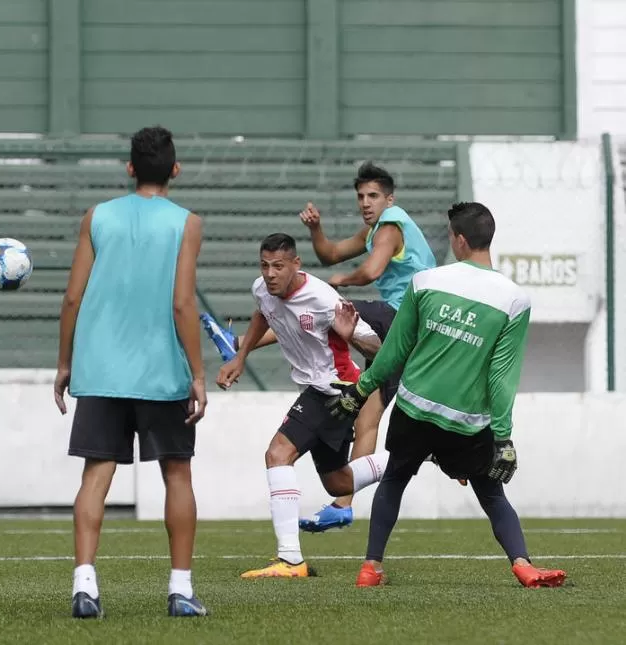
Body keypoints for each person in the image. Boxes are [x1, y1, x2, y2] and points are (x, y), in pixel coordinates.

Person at [329, 201, 566, 589]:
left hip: (413, 406)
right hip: (466, 421)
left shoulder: (426, 282)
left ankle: (370, 567)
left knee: (395, 480)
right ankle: (522, 564)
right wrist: (503, 438)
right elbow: (501, 376)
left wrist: (361, 390)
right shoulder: (513, 300)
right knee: (491, 494)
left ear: (458, 240)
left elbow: (394, 350)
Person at [201, 161, 437, 532]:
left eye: (373, 196)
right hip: (407, 327)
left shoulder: (391, 224)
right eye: (360, 196)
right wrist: (316, 230)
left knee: (319, 310)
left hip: (402, 315)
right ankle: (344, 503)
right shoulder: (373, 229)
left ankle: (237, 346)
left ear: (389, 199)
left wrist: (342, 279)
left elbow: (372, 271)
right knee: (367, 414)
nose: (365, 202)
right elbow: (328, 254)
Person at [54, 126, 209, 618]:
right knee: (177, 475)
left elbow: (72, 297)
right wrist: (199, 375)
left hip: (99, 367)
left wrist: (64, 363)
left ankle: (85, 586)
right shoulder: (187, 223)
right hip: (161, 368)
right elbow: (183, 303)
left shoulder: (97, 217)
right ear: (175, 171)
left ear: (129, 169)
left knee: (95, 475)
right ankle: (180, 590)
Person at [216, 233, 389, 579]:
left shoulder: (324, 299)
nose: (270, 274)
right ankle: (415, 453)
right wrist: (241, 355)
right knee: (339, 484)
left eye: (278, 266)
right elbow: (263, 315)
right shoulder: (263, 289)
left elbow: (378, 350)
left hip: (335, 390)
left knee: (278, 454)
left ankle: (290, 559)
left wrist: (349, 333)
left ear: (296, 264)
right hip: (319, 389)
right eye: (264, 265)